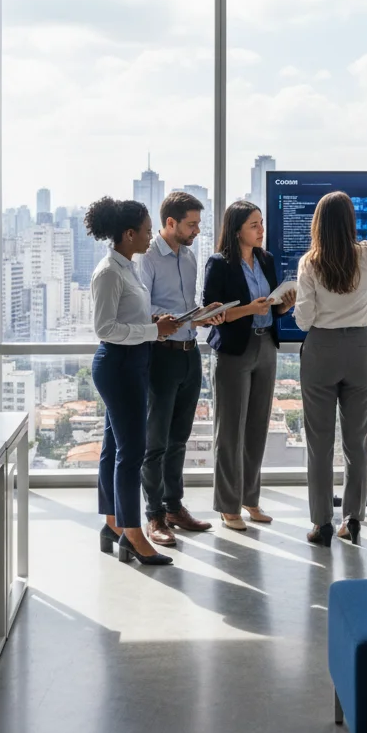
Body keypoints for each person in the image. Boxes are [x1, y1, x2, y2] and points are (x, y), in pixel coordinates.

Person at [295, 191, 367, 547]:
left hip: (321, 350)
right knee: (357, 443)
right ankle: (352, 519)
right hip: (359, 348)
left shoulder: (310, 263)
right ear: (351, 222)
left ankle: (321, 524)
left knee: (319, 445)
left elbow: (305, 320)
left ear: (318, 224)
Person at [87, 196, 180, 567]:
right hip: (119, 365)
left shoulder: (127, 268)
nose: (149, 236)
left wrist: (154, 321)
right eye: (144, 231)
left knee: (115, 448)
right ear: (128, 234)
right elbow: (105, 328)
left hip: (132, 362)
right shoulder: (109, 272)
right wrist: (153, 331)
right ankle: (132, 533)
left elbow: (130, 315)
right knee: (132, 453)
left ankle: (113, 523)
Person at [137, 190, 225, 547]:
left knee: (179, 439)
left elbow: (189, 305)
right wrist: (161, 318)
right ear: (170, 223)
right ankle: (154, 515)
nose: (197, 231)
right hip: (160, 354)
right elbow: (140, 309)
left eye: (198, 224)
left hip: (190, 354)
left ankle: (174, 507)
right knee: (154, 442)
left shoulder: (189, 258)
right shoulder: (146, 258)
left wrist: (207, 312)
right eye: (191, 224)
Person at [203, 200, 296, 531]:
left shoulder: (266, 259)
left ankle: (249, 499)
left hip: (265, 346)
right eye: (254, 224)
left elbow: (272, 310)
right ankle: (228, 506)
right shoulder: (219, 264)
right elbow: (210, 314)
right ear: (237, 229)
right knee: (229, 431)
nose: (261, 229)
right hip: (233, 351)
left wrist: (284, 305)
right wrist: (248, 309)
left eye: (262, 223)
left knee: (257, 428)